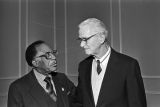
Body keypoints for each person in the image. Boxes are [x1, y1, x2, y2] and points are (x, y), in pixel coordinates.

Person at [75, 18, 147, 107]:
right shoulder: (83, 66)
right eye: (80, 39)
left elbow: (137, 104)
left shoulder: (128, 65)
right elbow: (79, 101)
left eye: (85, 39)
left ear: (101, 38)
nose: (81, 44)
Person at [8, 40, 75, 107]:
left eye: (53, 53)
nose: (54, 58)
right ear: (36, 63)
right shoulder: (18, 88)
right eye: (48, 55)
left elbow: (78, 100)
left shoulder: (62, 78)